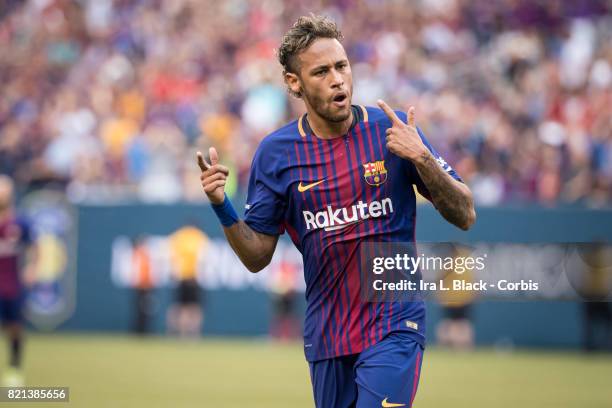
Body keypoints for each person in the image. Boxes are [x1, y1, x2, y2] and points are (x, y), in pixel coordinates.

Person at [197, 15, 475, 408]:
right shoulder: (276, 154)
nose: (338, 79)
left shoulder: (392, 131)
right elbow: (258, 257)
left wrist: (423, 158)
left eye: (342, 66)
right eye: (322, 71)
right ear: (295, 83)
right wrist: (221, 206)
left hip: (394, 322)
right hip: (329, 333)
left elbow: (464, 213)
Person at [0, 175, 37, 386]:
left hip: (11, 283)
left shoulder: (20, 222)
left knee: (14, 327)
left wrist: (31, 268)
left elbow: (35, 247)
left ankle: (14, 368)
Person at [166, 223, 208, 338]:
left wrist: (174, 273)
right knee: (194, 308)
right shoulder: (200, 237)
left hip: (181, 277)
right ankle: (193, 334)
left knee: (180, 306)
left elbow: (171, 257)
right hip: (193, 278)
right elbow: (203, 259)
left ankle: (179, 333)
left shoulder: (178, 236)